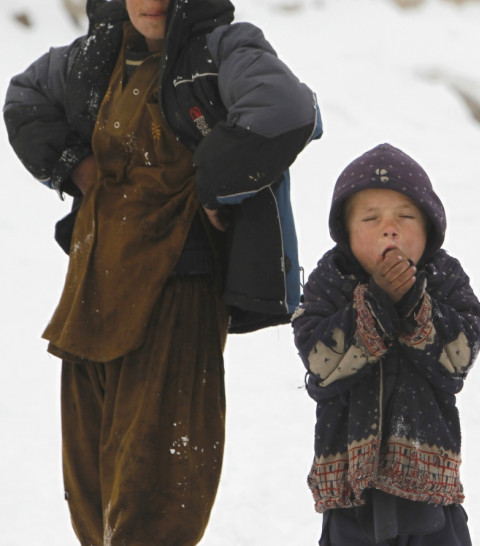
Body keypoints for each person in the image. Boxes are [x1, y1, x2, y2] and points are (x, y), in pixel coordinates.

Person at [3, 0, 320, 544]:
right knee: (92, 503)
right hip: (90, 299)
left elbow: (287, 107)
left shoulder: (222, 48)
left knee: (158, 504)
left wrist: (214, 179)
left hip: (176, 293)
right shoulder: (97, 57)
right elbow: (24, 97)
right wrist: (80, 169)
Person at [292, 143, 480, 545]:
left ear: (430, 228)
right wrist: (376, 302)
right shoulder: (329, 281)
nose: (390, 228)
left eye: (406, 216)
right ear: (345, 232)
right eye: (371, 218)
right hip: (351, 496)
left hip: (429, 494)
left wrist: (415, 302)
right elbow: (321, 363)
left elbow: (459, 359)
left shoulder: (445, 277)